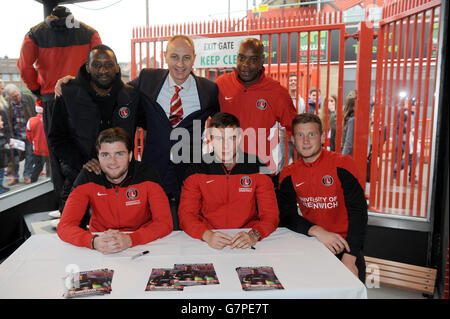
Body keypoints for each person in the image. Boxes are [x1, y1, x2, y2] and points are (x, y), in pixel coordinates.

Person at [129, 35, 219, 229]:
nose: (180, 64)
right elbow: (117, 90)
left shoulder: (209, 90)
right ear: (165, 56)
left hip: (188, 174)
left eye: (186, 57)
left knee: (188, 228)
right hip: (153, 171)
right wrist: (74, 82)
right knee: (150, 227)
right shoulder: (148, 79)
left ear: (194, 58)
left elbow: (224, 123)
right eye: (175, 57)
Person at [17, 5, 102, 210]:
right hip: (83, 99)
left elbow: (24, 67)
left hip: (52, 99)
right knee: (88, 151)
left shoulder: (34, 34)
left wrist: (38, 90)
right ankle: (93, 205)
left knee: (57, 156)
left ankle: (65, 208)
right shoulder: (90, 33)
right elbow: (99, 65)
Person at [48, 45, 140, 214]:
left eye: (108, 65)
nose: (103, 70)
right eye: (97, 65)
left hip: (121, 187)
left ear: (117, 67)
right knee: (75, 236)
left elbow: (154, 124)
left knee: (119, 237)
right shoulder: (68, 94)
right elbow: (56, 138)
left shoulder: (131, 97)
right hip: (78, 182)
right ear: (88, 68)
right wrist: (82, 163)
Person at [277, 113, 368, 282]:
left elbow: (359, 212)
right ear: (293, 140)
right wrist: (317, 231)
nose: (305, 141)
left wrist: (350, 256)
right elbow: (286, 215)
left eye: (311, 134)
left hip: (346, 244)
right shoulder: (288, 173)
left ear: (322, 137)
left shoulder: (343, 164)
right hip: (312, 241)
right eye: (300, 135)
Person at [57, 127, 173, 254]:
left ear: (129, 156)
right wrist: (93, 241)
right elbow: (65, 226)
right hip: (101, 243)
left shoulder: (146, 174)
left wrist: (131, 239)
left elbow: (164, 223)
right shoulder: (88, 176)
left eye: (119, 154)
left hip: (142, 243)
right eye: (106, 155)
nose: (112, 162)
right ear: (98, 157)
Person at [178, 112, 279, 250]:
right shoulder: (196, 168)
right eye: (219, 139)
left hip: (248, 238)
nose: (225, 145)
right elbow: (186, 215)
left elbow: (270, 215)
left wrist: (254, 234)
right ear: (211, 139)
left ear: (239, 139)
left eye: (231, 138)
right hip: (207, 240)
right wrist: (206, 235)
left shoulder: (258, 165)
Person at [216, 38, 297, 179]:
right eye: (241, 58)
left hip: (261, 171)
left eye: (253, 59)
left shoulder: (277, 92)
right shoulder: (221, 85)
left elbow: (297, 129)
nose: (245, 65)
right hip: (226, 170)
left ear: (262, 60)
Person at [3, 84, 36, 186]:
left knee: (30, 155)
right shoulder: (7, 103)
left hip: (29, 133)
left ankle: (27, 175)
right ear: (9, 96)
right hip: (16, 135)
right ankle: (15, 177)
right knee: (14, 158)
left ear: (19, 92)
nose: (17, 98)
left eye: (17, 95)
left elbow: (35, 113)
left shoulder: (29, 98)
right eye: (13, 97)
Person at [25, 99, 49, 183]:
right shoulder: (50, 119)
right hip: (50, 149)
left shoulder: (31, 121)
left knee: (38, 167)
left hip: (38, 150)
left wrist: (34, 143)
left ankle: (33, 182)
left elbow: (29, 136)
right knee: (52, 166)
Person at [341, 90, 357, 156]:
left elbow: (348, 143)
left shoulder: (352, 120)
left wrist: (342, 158)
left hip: (349, 157)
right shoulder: (353, 119)